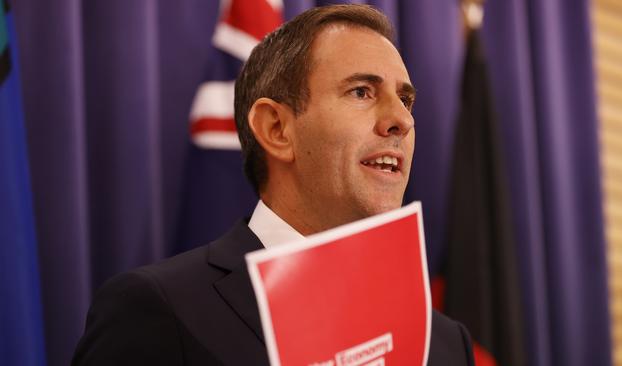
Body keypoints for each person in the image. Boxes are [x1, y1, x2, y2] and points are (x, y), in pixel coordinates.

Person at [72, 5, 475, 365]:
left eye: (405, 100)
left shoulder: (442, 343)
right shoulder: (158, 310)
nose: (401, 122)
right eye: (361, 91)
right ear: (277, 129)